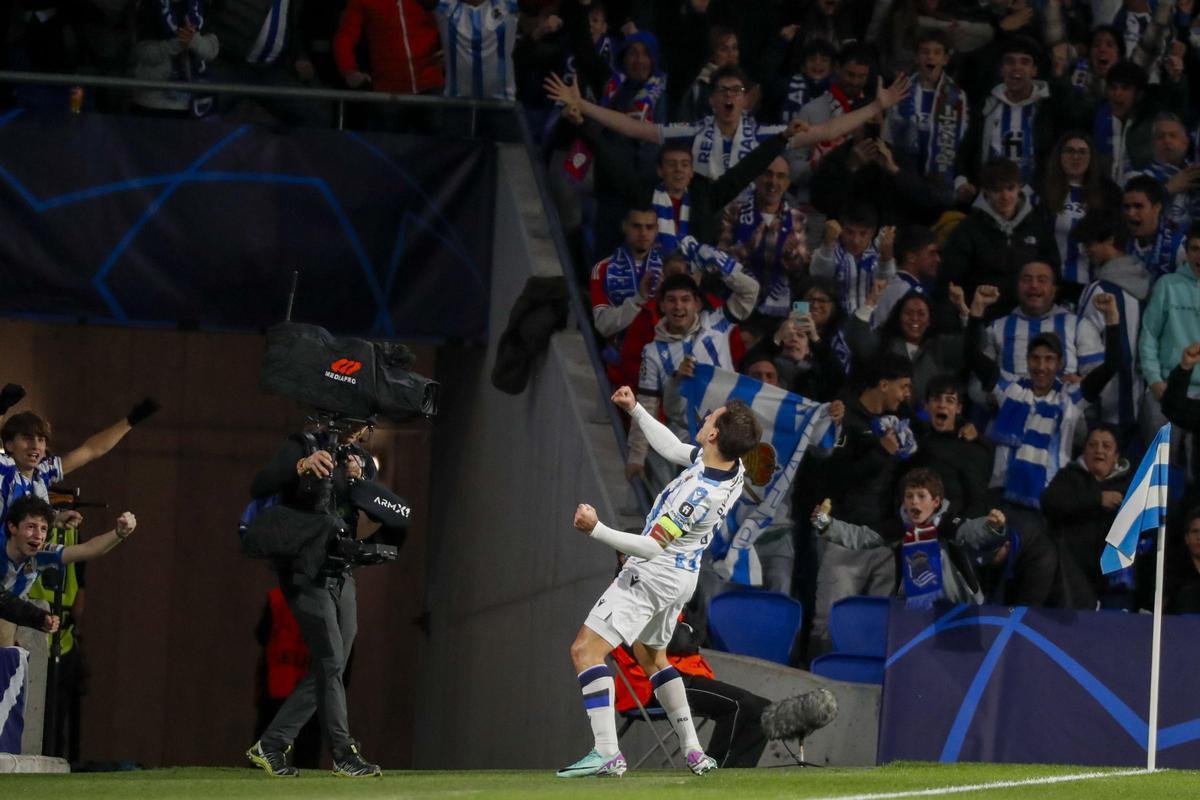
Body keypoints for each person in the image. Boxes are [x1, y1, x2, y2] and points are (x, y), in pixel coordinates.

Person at [559, 387, 761, 778]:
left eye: (710, 419)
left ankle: (606, 753)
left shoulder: (696, 495)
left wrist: (596, 529)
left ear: (716, 435)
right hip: (682, 578)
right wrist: (636, 410)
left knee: (585, 650)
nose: (703, 421)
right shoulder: (732, 469)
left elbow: (651, 547)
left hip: (653, 575)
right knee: (654, 660)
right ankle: (693, 751)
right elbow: (673, 449)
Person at [245, 421, 394, 778]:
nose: (360, 430)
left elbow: (376, 514)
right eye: (357, 422)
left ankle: (271, 744)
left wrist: (362, 482)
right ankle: (344, 753)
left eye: (366, 424)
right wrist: (301, 466)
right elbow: (260, 486)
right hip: (304, 567)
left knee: (333, 664)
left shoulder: (361, 459)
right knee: (329, 658)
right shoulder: (303, 443)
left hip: (341, 570)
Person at [610, 582, 770, 768]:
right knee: (740, 704)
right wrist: (686, 632)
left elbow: (696, 634)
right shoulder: (631, 596)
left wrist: (686, 633)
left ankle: (739, 773)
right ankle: (716, 770)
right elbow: (677, 641)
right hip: (651, 688)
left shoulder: (672, 592)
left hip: (687, 676)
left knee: (765, 709)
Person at [813, 468, 1007, 607]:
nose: (914, 501)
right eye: (909, 496)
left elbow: (970, 530)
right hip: (915, 611)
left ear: (936, 502)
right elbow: (861, 536)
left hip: (958, 607)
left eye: (921, 496)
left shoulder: (948, 524)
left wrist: (991, 526)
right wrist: (827, 524)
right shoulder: (899, 527)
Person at [0, 400, 160, 524]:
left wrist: (130, 421)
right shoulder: (5, 468)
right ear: (8, 444)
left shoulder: (43, 472)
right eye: (27, 439)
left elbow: (91, 450)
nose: (35, 445)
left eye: (41, 440)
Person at [939, 158, 1060, 316]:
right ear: (986, 192)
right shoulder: (967, 230)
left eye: (1010, 188)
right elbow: (949, 282)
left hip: (1030, 318)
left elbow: (1054, 272)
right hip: (983, 319)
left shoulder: (1037, 226)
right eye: (997, 190)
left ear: (1019, 188)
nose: (1005, 196)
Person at [1040, 425, 1135, 609]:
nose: (1099, 450)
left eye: (1106, 446)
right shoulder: (1068, 476)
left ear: (1117, 456)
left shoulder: (1130, 484)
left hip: (1114, 584)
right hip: (1070, 580)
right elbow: (1050, 502)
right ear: (1084, 452)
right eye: (1092, 445)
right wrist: (1097, 499)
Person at [1074, 208, 1149, 431]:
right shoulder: (1148, 283)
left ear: (1111, 240)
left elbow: (1085, 346)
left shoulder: (1099, 291)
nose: (1086, 250)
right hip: (1138, 399)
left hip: (1104, 406)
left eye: (1090, 243)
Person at [718, 155, 809, 318]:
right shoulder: (734, 211)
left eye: (781, 176)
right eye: (767, 173)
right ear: (756, 177)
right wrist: (748, 248)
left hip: (779, 308)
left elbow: (800, 272)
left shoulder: (797, 218)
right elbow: (719, 263)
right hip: (738, 301)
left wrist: (791, 254)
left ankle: (803, 334)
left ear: (787, 183)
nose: (773, 181)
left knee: (807, 302)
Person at [980, 260, 1102, 382]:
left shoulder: (1079, 326)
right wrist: (991, 395)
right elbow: (978, 382)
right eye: (1027, 280)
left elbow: (1099, 378)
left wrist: (1081, 385)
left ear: (1054, 290)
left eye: (1042, 280)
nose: (1034, 285)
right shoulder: (996, 328)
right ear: (1017, 287)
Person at [2, 496, 139, 601]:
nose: (38, 536)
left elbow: (88, 549)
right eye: (31, 527)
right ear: (12, 527)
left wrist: (119, 533)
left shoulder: (40, 554)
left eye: (44, 529)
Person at [1039, 132, 1122, 297]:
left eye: (1082, 152)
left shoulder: (1108, 193)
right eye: (1069, 151)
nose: (1076, 157)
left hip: (1093, 283)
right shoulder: (1042, 190)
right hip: (1052, 283)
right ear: (1059, 156)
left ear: (1091, 158)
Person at [1139, 224, 1200, 442]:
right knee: (1158, 470)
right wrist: (1154, 380)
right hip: (1165, 389)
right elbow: (1148, 336)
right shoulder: (1167, 285)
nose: (1199, 256)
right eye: (1195, 249)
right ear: (1186, 250)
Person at [810, 207, 896, 316]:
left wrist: (886, 258)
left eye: (863, 233)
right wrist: (827, 245)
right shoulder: (828, 252)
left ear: (873, 232)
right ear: (840, 229)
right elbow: (818, 277)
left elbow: (887, 287)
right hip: (835, 325)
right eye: (850, 232)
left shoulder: (879, 255)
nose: (856, 240)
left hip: (870, 325)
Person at [1122, 175, 1187, 280]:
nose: (1130, 213)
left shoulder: (1179, 247)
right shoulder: (1119, 241)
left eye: (1138, 206)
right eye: (1126, 207)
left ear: (1157, 207)